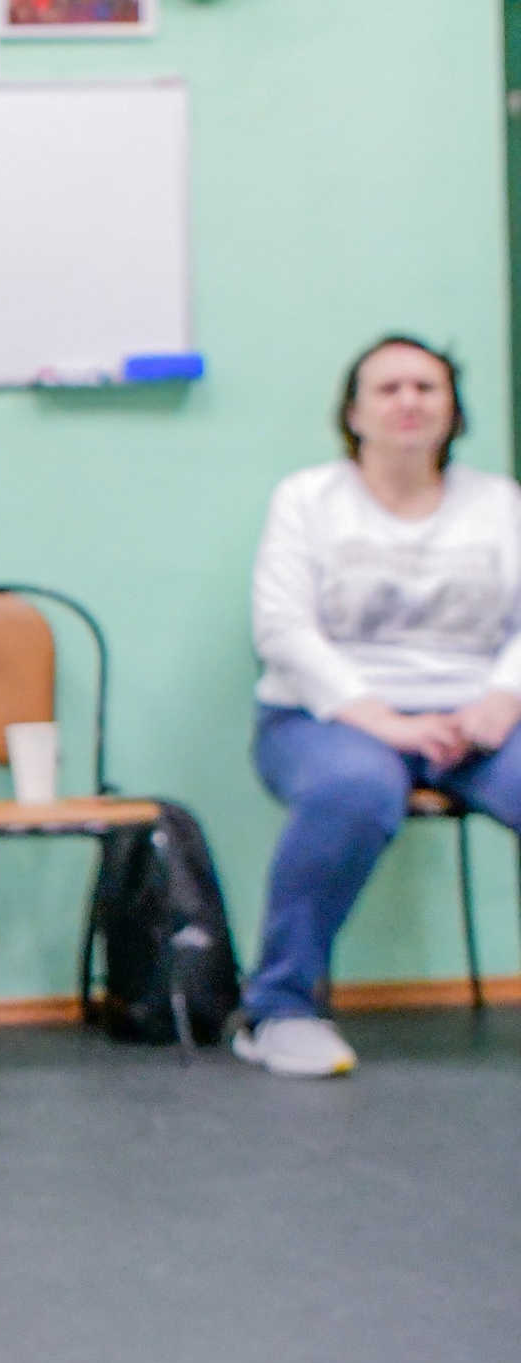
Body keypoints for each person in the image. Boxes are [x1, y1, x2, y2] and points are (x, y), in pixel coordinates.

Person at [238, 334, 521, 1078]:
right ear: (353, 412)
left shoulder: (500, 504)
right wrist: (384, 720)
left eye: (426, 388)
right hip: (324, 720)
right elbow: (283, 629)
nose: (409, 402)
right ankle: (279, 1010)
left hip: (475, 720)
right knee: (355, 791)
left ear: (452, 409)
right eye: (389, 388)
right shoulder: (307, 499)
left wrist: (504, 695)